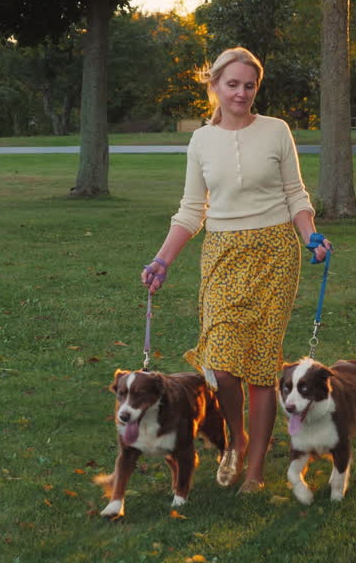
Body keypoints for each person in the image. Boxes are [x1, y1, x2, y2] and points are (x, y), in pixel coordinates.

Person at [141, 47, 331, 494]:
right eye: (233, 84)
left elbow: (295, 194)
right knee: (222, 364)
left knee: (264, 369)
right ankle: (237, 437)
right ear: (215, 87)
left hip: (275, 254)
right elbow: (191, 210)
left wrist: (310, 237)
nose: (241, 93)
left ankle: (256, 468)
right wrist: (162, 260)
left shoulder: (276, 131)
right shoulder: (201, 141)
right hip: (223, 253)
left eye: (249, 85)